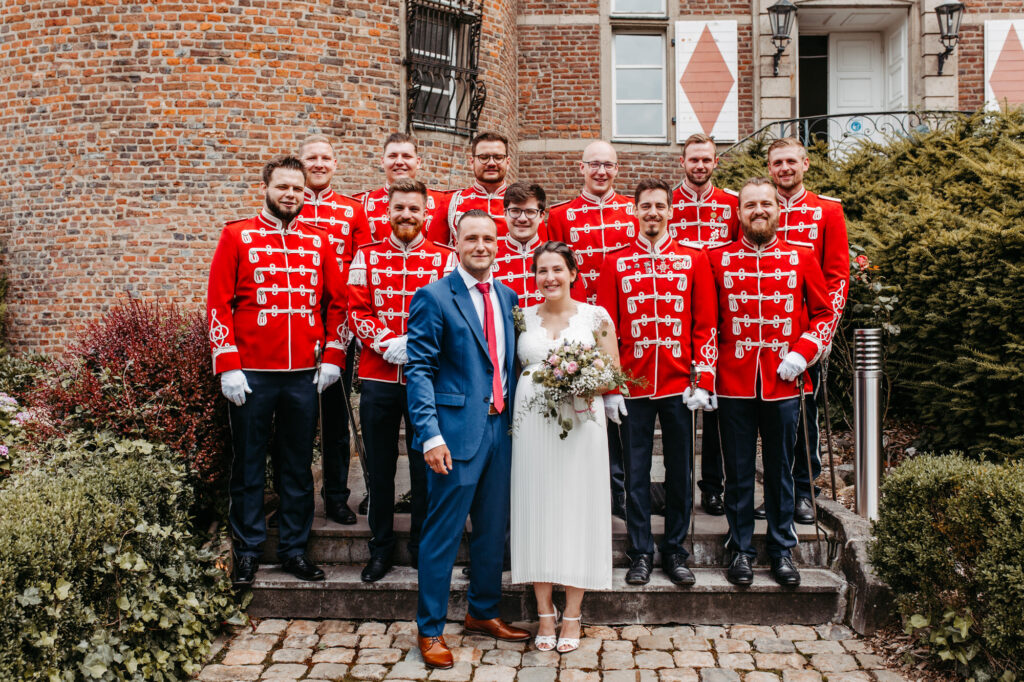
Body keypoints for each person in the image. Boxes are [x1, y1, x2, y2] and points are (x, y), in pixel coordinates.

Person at [206, 156, 348, 585]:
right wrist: (228, 364)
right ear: (266, 187)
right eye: (283, 187)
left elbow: (336, 304)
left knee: (297, 465)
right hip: (250, 374)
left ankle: (292, 549)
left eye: (298, 188)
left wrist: (333, 357)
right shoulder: (237, 235)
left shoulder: (319, 241)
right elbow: (218, 302)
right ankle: (248, 551)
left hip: (304, 373)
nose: (291, 195)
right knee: (248, 464)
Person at [406, 209, 530, 669]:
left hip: (501, 429)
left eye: (489, 239)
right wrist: (430, 435)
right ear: (456, 243)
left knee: (493, 531)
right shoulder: (434, 297)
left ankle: (483, 611)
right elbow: (418, 369)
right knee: (441, 534)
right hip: (454, 436)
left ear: (499, 244)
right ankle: (431, 629)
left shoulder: (508, 295)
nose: (482, 246)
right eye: (472, 238)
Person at [706, 177, 835, 587]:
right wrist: (705, 378)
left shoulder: (801, 257)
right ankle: (740, 548)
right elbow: (707, 323)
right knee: (739, 471)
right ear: (738, 212)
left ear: (777, 209)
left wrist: (804, 351)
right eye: (750, 205)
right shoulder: (716, 258)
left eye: (765, 204)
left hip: (785, 381)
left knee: (781, 469)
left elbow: (824, 313)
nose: (758, 210)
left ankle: (782, 549)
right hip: (733, 381)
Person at [596, 179, 717, 587]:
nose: (652, 212)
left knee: (682, 471)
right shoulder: (614, 262)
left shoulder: (694, 259)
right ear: (635, 211)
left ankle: (676, 551)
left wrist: (703, 378)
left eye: (659, 206)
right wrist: (612, 387)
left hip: (682, 385)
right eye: (645, 206)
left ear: (670, 211)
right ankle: (641, 551)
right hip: (633, 385)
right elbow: (606, 331)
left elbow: (705, 325)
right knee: (635, 474)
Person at [347, 178, 457, 583]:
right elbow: (356, 310)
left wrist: (417, 343)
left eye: (414, 208)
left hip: (426, 378)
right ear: (387, 211)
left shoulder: (445, 259)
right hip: (379, 376)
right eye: (399, 208)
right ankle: (380, 548)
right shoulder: (366, 257)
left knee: (424, 465)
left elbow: (453, 313)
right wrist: (383, 341)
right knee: (379, 467)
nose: (406, 215)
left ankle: (420, 545)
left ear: (427, 212)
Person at [511, 240, 618, 653]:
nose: (549, 277)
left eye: (557, 269)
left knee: (577, 510)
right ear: (534, 275)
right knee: (536, 507)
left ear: (573, 273)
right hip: (532, 426)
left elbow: (614, 374)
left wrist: (580, 379)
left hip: (580, 425)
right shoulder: (521, 317)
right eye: (542, 271)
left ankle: (573, 612)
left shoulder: (596, 316)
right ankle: (544, 612)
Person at [546, 140, 638, 519]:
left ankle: (623, 492)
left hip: (627, 323)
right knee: (586, 408)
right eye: (594, 165)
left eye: (608, 165)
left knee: (625, 413)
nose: (601, 172)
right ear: (581, 168)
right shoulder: (562, 214)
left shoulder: (632, 211)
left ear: (617, 169)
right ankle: (591, 488)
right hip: (580, 324)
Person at [764, 137, 849, 524]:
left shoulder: (827, 211)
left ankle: (803, 490)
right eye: (777, 162)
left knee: (803, 417)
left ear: (805, 164)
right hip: (763, 335)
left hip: (805, 337)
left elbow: (837, 279)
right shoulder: (756, 208)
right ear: (769, 169)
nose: (784, 168)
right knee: (769, 422)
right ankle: (776, 491)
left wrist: (820, 338)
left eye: (791, 161)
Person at [297, 134, 369, 525]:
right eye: (312, 158)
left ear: (335, 164)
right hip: (298, 320)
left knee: (335, 417)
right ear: (302, 162)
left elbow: (360, 268)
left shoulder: (352, 210)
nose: (319, 164)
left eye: (326, 158)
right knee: (298, 420)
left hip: (338, 322)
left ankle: (337, 495)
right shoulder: (289, 202)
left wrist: (353, 323)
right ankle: (298, 502)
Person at [669, 133, 739, 518]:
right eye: (693, 159)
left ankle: (713, 486)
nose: (699, 165)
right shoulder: (668, 203)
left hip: (722, 314)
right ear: (683, 162)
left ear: (716, 163)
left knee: (714, 405)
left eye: (706, 160)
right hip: (674, 313)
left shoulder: (730, 205)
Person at [432, 131, 533, 245]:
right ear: (472, 162)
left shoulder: (527, 204)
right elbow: (436, 253)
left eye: (498, 157)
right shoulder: (450, 203)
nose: (491, 163)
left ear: (508, 162)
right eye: (484, 157)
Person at [354, 132, 453, 248]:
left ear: (418, 162)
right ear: (382, 162)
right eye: (392, 156)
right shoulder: (361, 203)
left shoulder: (442, 202)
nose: (399, 162)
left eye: (406, 156)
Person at [492, 181, 546, 308]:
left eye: (530, 212)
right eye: (515, 211)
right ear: (505, 213)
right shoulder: (490, 259)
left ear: (541, 216)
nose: (522, 218)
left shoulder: (560, 258)